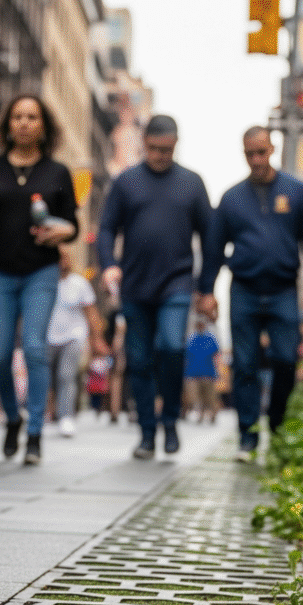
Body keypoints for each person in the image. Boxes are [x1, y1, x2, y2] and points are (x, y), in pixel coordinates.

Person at [198, 126, 303, 461]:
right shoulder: (231, 199)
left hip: (284, 289)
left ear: (272, 149)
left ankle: (278, 426)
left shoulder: (296, 192)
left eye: (261, 152)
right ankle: (248, 436)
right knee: (245, 365)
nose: (256, 159)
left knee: (286, 360)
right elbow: (213, 249)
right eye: (249, 153)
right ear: (243, 154)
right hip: (244, 290)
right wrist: (206, 291)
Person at [0, 94, 79, 465]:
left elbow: (73, 226)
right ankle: (12, 418)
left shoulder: (57, 173)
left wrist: (58, 233)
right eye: (17, 116)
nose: (24, 123)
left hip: (40, 272)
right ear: (7, 124)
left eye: (32, 117)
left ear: (43, 126)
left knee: (34, 347)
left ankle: (34, 433)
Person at [98, 114, 212, 460]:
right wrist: (109, 266)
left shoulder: (192, 184)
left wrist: (205, 287)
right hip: (134, 285)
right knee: (139, 359)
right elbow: (106, 229)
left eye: (166, 149)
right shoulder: (126, 182)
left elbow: (210, 237)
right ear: (144, 144)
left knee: (171, 348)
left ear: (176, 145)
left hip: (176, 284)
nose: (160, 155)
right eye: (153, 148)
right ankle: (148, 432)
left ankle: (171, 420)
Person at [46, 246, 99, 437]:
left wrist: (96, 339)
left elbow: (91, 312)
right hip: (48, 338)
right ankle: (50, 411)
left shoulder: (80, 283)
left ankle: (66, 416)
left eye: (65, 258)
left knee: (65, 375)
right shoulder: (45, 282)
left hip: (73, 337)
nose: (62, 262)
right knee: (50, 378)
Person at [183, 318, 221, 424]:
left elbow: (216, 355)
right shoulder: (192, 339)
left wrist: (218, 371)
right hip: (194, 373)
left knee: (210, 397)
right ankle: (201, 414)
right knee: (196, 397)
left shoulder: (210, 338)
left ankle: (213, 413)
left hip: (208, 372)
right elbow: (186, 357)